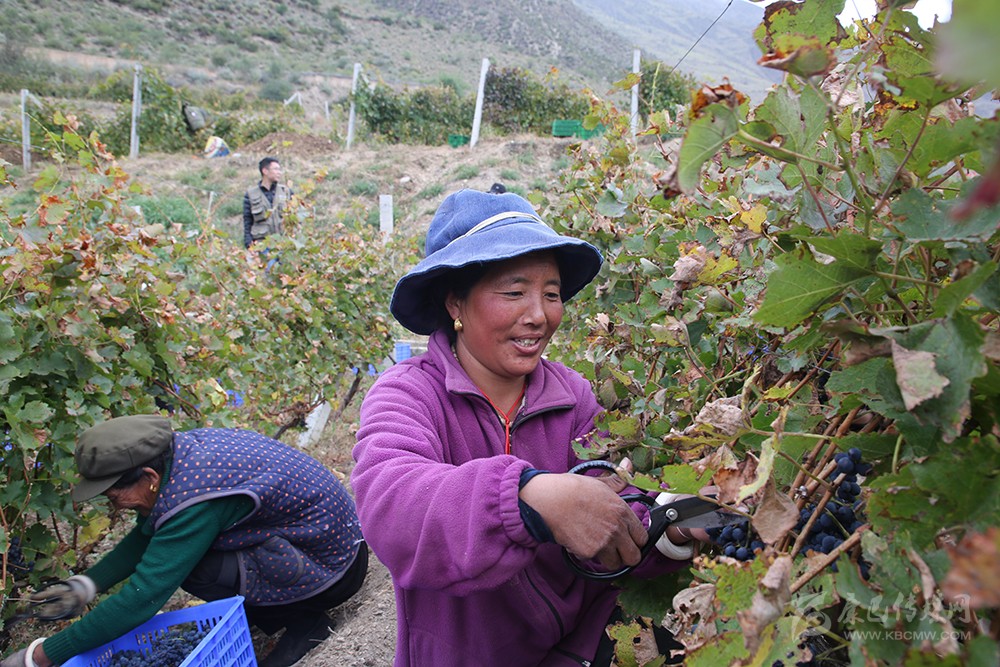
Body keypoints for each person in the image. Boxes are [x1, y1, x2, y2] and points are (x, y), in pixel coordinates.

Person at [351, 189, 704, 667]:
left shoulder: (572, 394)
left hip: (578, 648)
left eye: (552, 294)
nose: (539, 315)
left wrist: (670, 530)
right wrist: (526, 499)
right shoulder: (408, 395)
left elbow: (615, 513)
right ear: (456, 302)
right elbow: (393, 507)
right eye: (514, 292)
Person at [2, 415, 366, 667]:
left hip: (332, 568)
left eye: (114, 496)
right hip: (322, 544)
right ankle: (274, 609)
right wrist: (87, 584)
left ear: (147, 476)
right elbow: (151, 534)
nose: (114, 505)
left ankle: (306, 623)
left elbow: (141, 599)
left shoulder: (196, 501)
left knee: (192, 568)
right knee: (182, 555)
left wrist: (41, 655)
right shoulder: (178, 458)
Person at [243, 156, 291, 249]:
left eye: (279, 169)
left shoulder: (286, 192)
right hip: (262, 245)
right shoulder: (251, 194)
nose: (279, 172)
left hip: (284, 244)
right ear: (265, 171)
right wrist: (249, 244)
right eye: (276, 169)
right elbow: (247, 221)